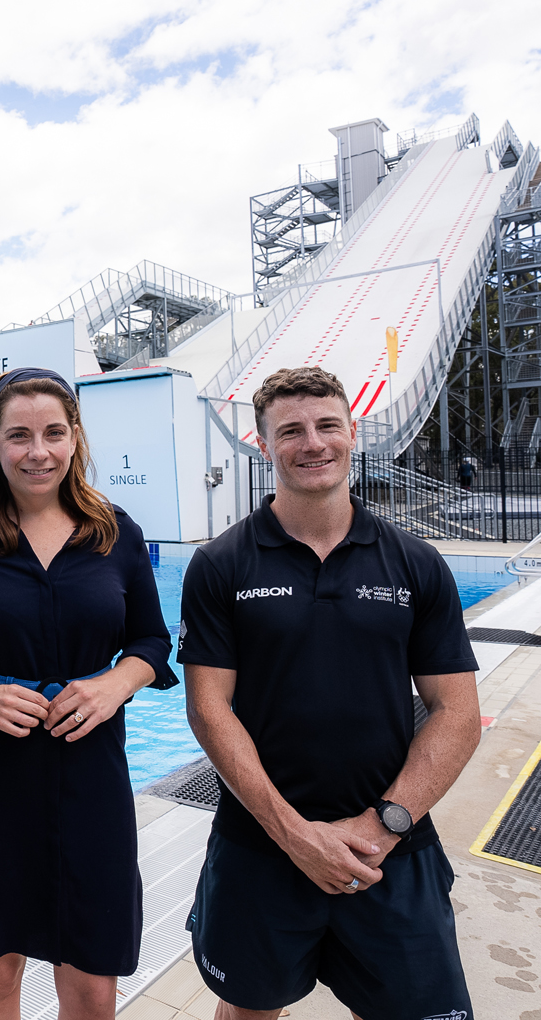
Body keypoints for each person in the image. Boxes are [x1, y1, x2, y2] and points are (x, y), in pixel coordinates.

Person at [178, 366, 480, 1020]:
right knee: (249, 1010)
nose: (312, 442)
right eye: (290, 430)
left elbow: (458, 713)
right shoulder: (221, 566)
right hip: (260, 847)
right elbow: (208, 708)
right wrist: (291, 833)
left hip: (391, 850)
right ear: (263, 444)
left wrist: (383, 824)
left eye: (326, 426)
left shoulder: (414, 563)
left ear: (352, 434)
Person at [0, 367, 175, 1020]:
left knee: (92, 984)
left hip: (90, 776)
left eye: (54, 433)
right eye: (20, 436)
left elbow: (151, 643)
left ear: (75, 438)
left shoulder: (117, 532)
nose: (39, 452)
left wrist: (115, 683)